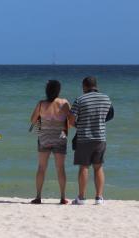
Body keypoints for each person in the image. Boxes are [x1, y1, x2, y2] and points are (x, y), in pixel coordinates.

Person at [68, 76, 114, 205]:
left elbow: (71, 121)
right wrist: (99, 122)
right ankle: (99, 197)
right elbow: (110, 115)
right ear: (96, 86)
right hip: (100, 138)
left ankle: (81, 198)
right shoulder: (106, 98)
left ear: (84, 86)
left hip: (84, 138)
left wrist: (80, 125)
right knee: (98, 167)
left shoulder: (80, 99)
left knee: (84, 167)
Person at [29, 80, 71, 204]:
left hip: (44, 138)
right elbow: (71, 121)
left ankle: (38, 197)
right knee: (60, 168)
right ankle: (63, 197)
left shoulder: (41, 104)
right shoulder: (64, 103)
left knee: (41, 168)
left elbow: (32, 120)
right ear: (58, 90)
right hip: (60, 138)